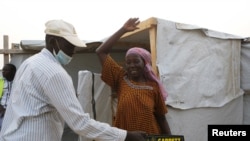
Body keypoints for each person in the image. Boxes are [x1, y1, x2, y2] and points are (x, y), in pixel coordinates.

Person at [0, 19, 146, 141]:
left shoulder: (30, 63)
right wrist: (125, 135)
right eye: (69, 45)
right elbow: (80, 124)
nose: (73, 51)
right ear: (52, 42)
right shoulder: (55, 73)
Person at [96, 18, 172, 135]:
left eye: (136, 61)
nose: (132, 65)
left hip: (149, 137)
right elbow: (101, 51)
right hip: (125, 137)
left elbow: (161, 118)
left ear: (145, 63)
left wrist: (171, 138)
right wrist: (123, 30)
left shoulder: (153, 88)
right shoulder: (121, 79)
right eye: (128, 62)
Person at [0, 63, 16, 131]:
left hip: (13, 111)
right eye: (3, 70)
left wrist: (9, 111)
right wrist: (2, 109)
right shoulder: (1, 81)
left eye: (6, 70)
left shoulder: (18, 82)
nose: (3, 71)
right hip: (1, 110)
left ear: (13, 72)